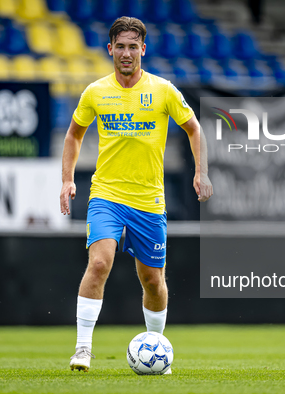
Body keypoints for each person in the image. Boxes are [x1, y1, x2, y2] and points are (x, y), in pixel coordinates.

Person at [60, 16, 213, 373]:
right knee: (99, 263)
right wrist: (67, 179)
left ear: (143, 49)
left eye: (133, 46)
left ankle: (156, 346)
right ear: (109, 49)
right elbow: (73, 135)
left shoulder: (163, 91)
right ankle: (83, 350)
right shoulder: (95, 92)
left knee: (153, 280)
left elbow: (194, 129)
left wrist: (201, 171)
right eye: (121, 46)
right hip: (107, 196)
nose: (127, 53)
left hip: (148, 201)